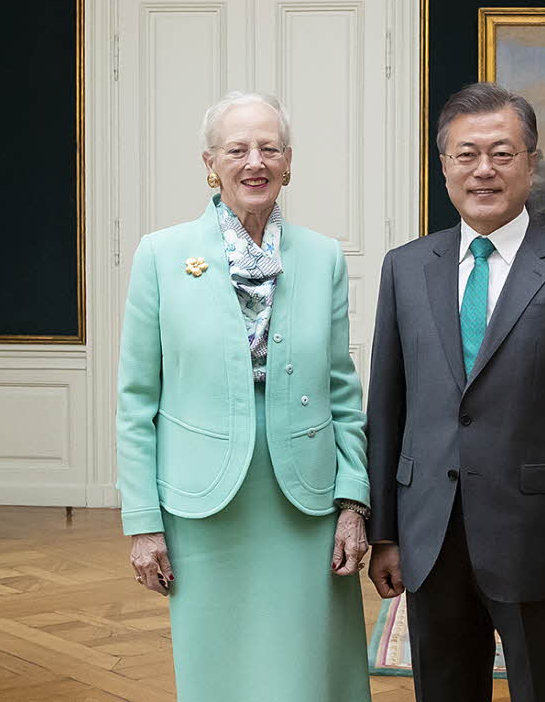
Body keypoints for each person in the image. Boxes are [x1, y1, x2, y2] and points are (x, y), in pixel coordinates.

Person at [366, 82, 545, 702]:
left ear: (532, 165)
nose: (483, 169)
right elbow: (387, 410)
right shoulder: (405, 268)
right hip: (430, 536)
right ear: (444, 166)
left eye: (502, 153)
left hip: (539, 542)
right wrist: (385, 530)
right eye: (466, 154)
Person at [116, 91, 372, 701]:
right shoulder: (161, 254)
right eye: (238, 149)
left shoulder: (322, 257)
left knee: (310, 668)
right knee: (218, 666)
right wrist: (143, 524)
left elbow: (342, 387)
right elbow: (135, 401)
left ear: (288, 162)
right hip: (204, 504)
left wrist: (353, 503)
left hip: (305, 498)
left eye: (269, 148)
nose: (254, 161)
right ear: (211, 162)